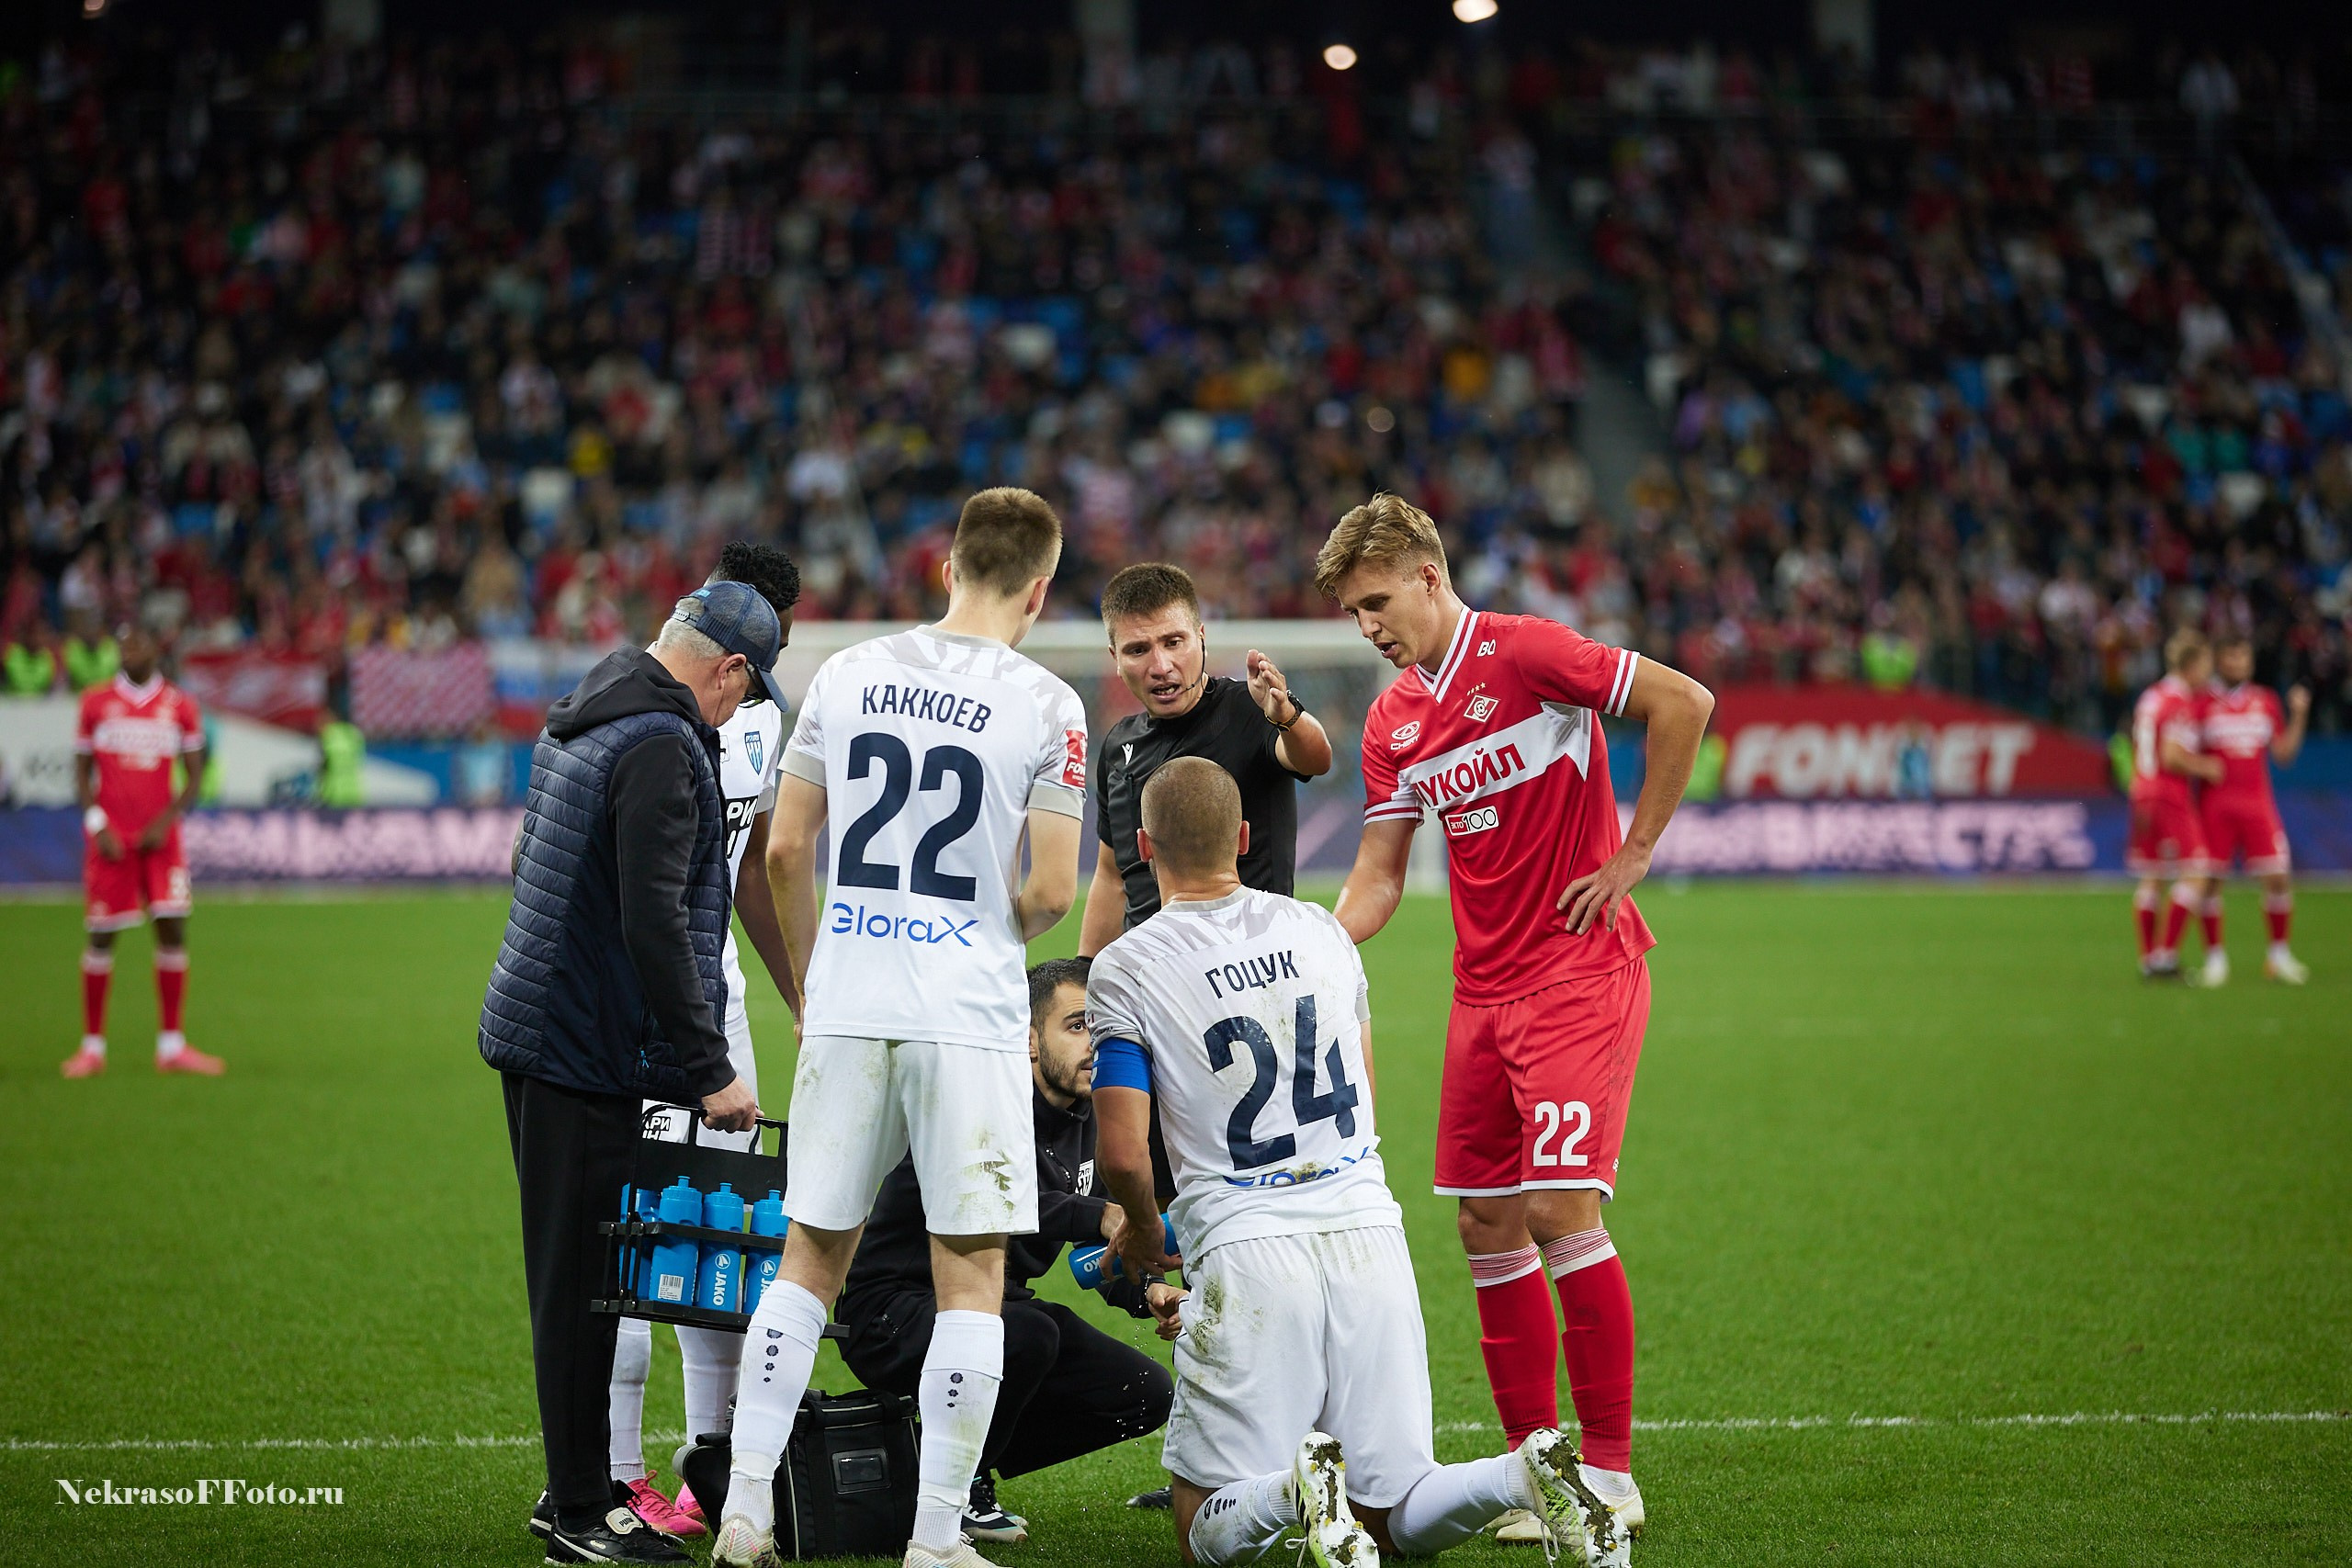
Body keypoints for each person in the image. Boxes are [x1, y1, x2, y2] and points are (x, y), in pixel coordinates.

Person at [1088, 758, 1620, 1568]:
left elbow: (1124, 1150)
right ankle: (1521, 1474)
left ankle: (1294, 1492)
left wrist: (1141, 1227)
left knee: (1200, 1529)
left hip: (1248, 1245)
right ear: (1243, 837)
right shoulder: (1320, 929)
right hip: (1367, 1227)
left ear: (1141, 845)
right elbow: (1364, 1090)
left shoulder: (1126, 965)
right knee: (1394, 1511)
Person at [1317, 494, 1714, 1549]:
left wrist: (1633, 855)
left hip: (1579, 972)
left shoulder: (1529, 652)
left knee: (1555, 1212)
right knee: (1483, 1225)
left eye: (1374, 602)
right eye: (1354, 611)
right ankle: (1539, 1471)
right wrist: (1302, 945)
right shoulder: (1393, 718)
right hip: (1479, 994)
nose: (1366, 626)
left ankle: (1610, 1470)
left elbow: (1684, 701)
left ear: (1428, 577)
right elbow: (1377, 875)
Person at [718, 487, 1088, 1568]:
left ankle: (745, 1513)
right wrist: (981, 928)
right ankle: (935, 1538)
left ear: (946, 569)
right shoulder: (1050, 704)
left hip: (850, 999)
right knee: (969, 1276)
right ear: (1038, 589)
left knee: (808, 1261)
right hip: (967, 1014)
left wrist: (808, 987)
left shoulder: (846, 671)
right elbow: (1053, 889)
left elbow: (786, 853)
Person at [479, 581, 781, 1567]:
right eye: (745, 687)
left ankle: (574, 1494)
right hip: (584, 1046)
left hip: (547, 1027)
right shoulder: (659, 741)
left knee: (578, 1278)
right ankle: (578, 1511)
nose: (740, 708)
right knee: (582, 1287)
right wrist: (710, 1068)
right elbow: (654, 920)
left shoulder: (597, 701)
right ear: (728, 669)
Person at [832, 957, 1180, 1547]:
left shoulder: (1092, 1117)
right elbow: (1008, 1195)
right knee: (1024, 1334)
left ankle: (936, 1459)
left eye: (1102, 1028)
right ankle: (957, 1488)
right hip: (892, 1311)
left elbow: (1105, 1248)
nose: (1093, 1043)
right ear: (1027, 1039)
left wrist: (1148, 1289)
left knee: (1143, 1394)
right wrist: (1100, 1214)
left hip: (998, 1309)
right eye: (1076, 1026)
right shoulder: (981, 1102)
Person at [603, 544, 806, 1540]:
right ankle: (612, 1474)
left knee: (720, 1236)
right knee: (637, 1243)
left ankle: (707, 1469)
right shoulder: (635, 705)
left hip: (713, 1006)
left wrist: (798, 994)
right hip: (639, 1014)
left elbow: (755, 871)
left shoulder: (764, 719)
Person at [1077, 561, 1333, 956]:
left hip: (1248, 974)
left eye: (1173, 642)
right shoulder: (1117, 746)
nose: (1160, 667)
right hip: (1149, 985)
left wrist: (1288, 718)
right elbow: (1112, 877)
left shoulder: (1250, 709)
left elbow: (1315, 758)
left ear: (1201, 637)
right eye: (1138, 650)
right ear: (1115, 657)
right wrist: (1085, 975)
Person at [61, 624, 220, 1078]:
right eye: (122, 644)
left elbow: (194, 775)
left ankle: (171, 1046)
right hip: (111, 840)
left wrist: (167, 821)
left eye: (136, 644)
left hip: (161, 840)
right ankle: (92, 1047)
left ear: (155, 648)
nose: (127, 651)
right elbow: (80, 772)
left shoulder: (180, 705)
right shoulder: (95, 702)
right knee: (102, 935)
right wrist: (98, 826)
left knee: (172, 931)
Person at [2192, 634, 2311, 986]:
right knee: (2210, 882)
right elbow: (2185, 751)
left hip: (2258, 804)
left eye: (2242, 657)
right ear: (2219, 661)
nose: (2237, 664)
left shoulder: (2266, 701)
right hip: (2215, 807)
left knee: (2278, 878)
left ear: (2250, 662)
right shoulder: (2202, 703)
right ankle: (2215, 961)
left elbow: (2284, 756)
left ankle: (2278, 956)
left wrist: (2300, 715)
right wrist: (2201, 769)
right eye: (2230, 657)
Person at [2127, 630, 2224, 980]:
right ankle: (2166, 957)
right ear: (2192, 664)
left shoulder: (2151, 696)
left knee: (2152, 876)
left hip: (2142, 788)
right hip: (2168, 792)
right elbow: (2171, 756)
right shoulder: (2178, 702)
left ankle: (2148, 959)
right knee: (2197, 870)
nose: (2208, 673)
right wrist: (2206, 767)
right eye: (2206, 664)